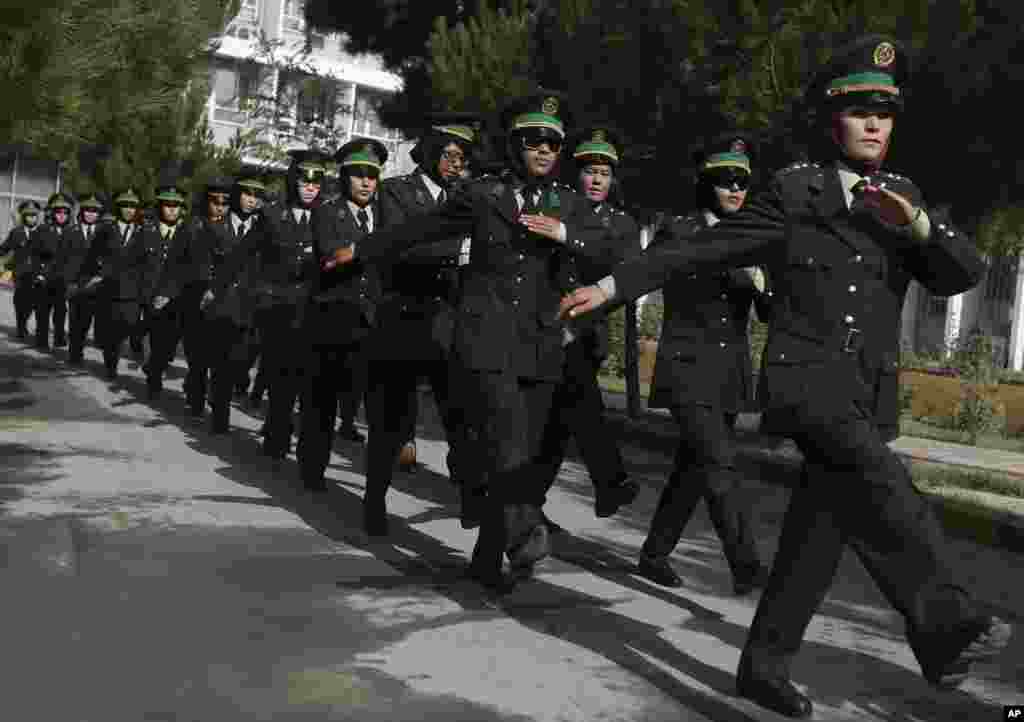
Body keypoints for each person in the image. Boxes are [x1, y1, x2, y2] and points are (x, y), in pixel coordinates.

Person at [559, 35, 1011, 718]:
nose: (873, 125)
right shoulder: (795, 190)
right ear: (834, 120)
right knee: (885, 483)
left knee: (815, 540)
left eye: (884, 114)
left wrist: (918, 226)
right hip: (807, 381)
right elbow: (704, 246)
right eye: (859, 112)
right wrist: (618, 283)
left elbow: (963, 276)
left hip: (866, 390)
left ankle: (762, 667)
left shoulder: (901, 195)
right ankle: (946, 626)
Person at [325, 89, 622, 593]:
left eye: (553, 143)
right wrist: (360, 248)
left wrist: (565, 234)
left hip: (541, 344)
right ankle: (525, 528)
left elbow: (611, 251)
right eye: (534, 141)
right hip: (484, 339)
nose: (545, 151)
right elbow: (420, 229)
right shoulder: (484, 195)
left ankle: (487, 560)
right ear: (514, 144)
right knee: (504, 441)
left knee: (521, 453)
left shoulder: (570, 205)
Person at [628, 132, 771, 595]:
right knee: (719, 462)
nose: (735, 190)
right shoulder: (682, 230)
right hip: (687, 365)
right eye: (725, 180)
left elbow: (771, 309)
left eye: (742, 182)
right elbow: (639, 274)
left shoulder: (754, 238)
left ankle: (654, 554)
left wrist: (762, 282)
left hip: (729, 371)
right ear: (707, 184)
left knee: (695, 469)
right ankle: (746, 563)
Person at [362, 113, 482, 535]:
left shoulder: (468, 196)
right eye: (448, 155)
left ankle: (471, 499)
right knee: (391, 420)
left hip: (450, 320)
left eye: (462, 157)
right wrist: (459, 251)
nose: (455, 164)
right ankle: (374, 499)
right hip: (405, 316)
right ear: (429, 154)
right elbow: (399, 245)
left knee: (462, 417)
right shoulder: (396, 192)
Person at [533, 125, 641, 533]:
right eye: (590, 171)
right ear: (576, 174)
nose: (597, 180)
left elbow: (624, 272)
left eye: (605, 173)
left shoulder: (623, 224)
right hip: (548, 328)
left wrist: (567, 238)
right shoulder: (557, 206)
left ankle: (529, 505)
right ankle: (609, 480)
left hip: (589, 332)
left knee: (558, 426)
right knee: (574, 406)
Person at [297, 139, 386, 492]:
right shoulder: (325, 212)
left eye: (372, 176)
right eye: (359, 175)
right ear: (345, 177)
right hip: (332, 318)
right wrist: (367, 248)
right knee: (321, 400)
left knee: (373, 403)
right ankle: (312, 466)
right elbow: (330, 259)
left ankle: (376, 483)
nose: (366, 183)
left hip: (373, 321)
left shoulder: (383, 214)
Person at [253, 149, 331, 461]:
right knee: (278, 376)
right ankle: (277, 432)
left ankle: (305, 443)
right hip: (278, 309)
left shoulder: (327, 216)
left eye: (317, 181)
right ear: (293, 181)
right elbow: (252, 256)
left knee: (308, 380)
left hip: (314, 310)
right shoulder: (272, 214)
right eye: (304, 180)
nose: (311, 187)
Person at [202, 172, 267, 432]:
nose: (252, 200)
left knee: (243, 359)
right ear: (237, 195)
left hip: (252, 302)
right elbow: (204, 262)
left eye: (257, 196)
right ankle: (220, 415)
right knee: (221, 360)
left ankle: (227, 388)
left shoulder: (265, 228)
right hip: (223, 300)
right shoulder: (216, 226)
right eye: (247, 194)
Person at [142, 163, 195, 400]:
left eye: (176, 206)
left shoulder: (189, 233)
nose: (171, 210)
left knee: (168, 344)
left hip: (175, 299)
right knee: (157, 342)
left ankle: (155, 370)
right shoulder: (147, 230)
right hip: (151, 296)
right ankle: (154, 373)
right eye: (167, 205)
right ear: (160, 206)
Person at [92, 186, 145, 380]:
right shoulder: (106, 229)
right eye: (126, 206)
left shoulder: (143, 231)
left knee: (130, 326)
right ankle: (110, 365)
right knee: (111, 333)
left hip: (132, 292)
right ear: (119, 207)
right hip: (111, 289)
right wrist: (98, 273)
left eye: (133, 206)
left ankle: (130, 347)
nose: (130, 210)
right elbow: (93, 254)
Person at [64, 192, 107, 365]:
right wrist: (68, 282)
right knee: (75, 322)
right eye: (88, 210)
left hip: (95, 285)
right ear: (82, 212)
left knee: (88, 321)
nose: (91, 214)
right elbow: (63, 258)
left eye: (95, 211)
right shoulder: (71, 231)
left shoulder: (104, 233)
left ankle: (81, 348)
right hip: (76, 284)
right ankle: (75, 354)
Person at [30, 192, 76, 350]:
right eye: (58, 212)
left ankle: (58, 338)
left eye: (65, 212)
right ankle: (41, 340)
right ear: (52, 212)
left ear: (69, 214)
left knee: (60, 311)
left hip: (62, 279)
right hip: (44, 278)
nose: (61, 215)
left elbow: (74, 257)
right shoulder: (42, 230)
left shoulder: (72, 232)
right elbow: (34, 255)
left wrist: (71, 278)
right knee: (42, 311)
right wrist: (38, 274)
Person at [0, 200, 43, 339]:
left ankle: (24, 322)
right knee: (19, 301)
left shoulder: (43, 232)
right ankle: (21, 326)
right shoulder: (16, 232)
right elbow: (4, 248)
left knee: (32, 302)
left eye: (34, 215)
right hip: (20, 273)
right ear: (24, 216)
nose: (32, 218)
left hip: (37, 274)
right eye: (29, 215)